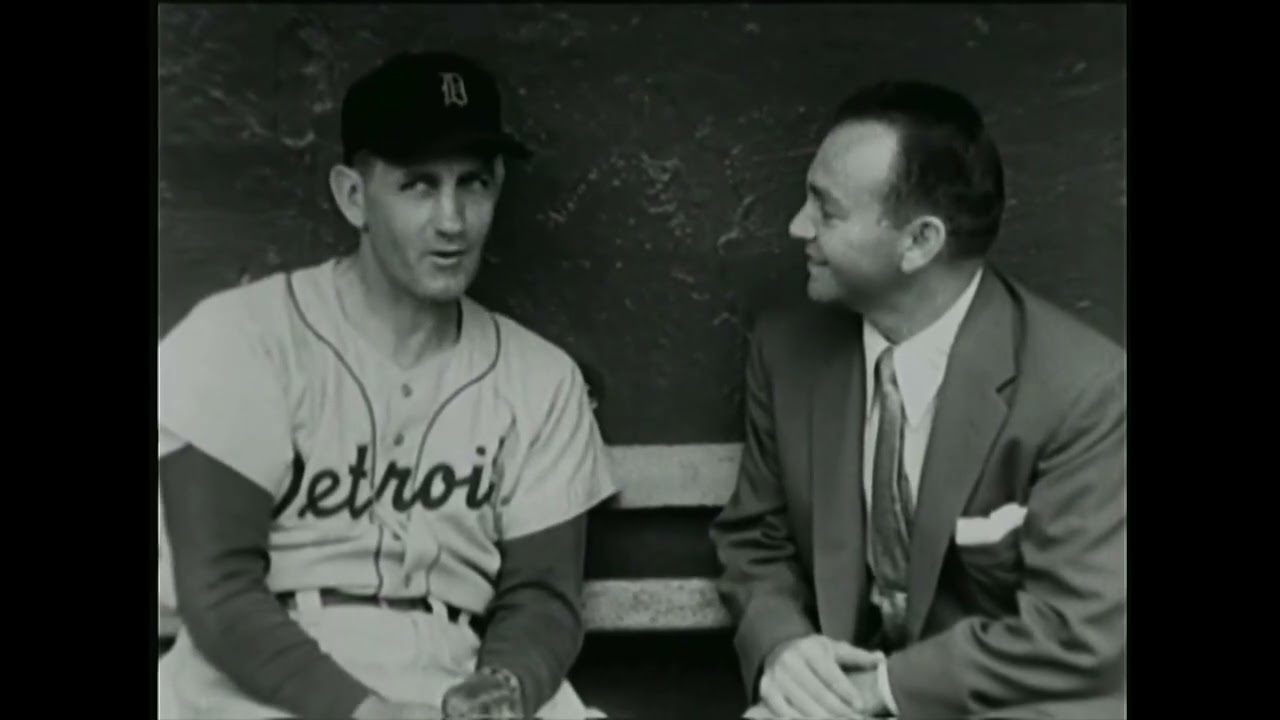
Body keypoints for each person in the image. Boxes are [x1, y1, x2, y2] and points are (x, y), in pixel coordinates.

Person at [157, 50, 618, 719]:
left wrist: (503, 691)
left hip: (452, 668)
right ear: (353, 195)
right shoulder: (243, 337)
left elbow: (542, 600)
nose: (453, 221)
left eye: (475, 183)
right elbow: (220, 592)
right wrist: (367, 712)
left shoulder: (542, 380)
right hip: (259, 684)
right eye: (419, 185)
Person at [709, 80, 1125, 720]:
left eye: (827, 209)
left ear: (920, 242)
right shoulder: (787, 351)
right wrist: (784, 649)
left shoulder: (1083, 388)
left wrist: (878, 691)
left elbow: (1075, 630)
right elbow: (755, 540)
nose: (798, 226)